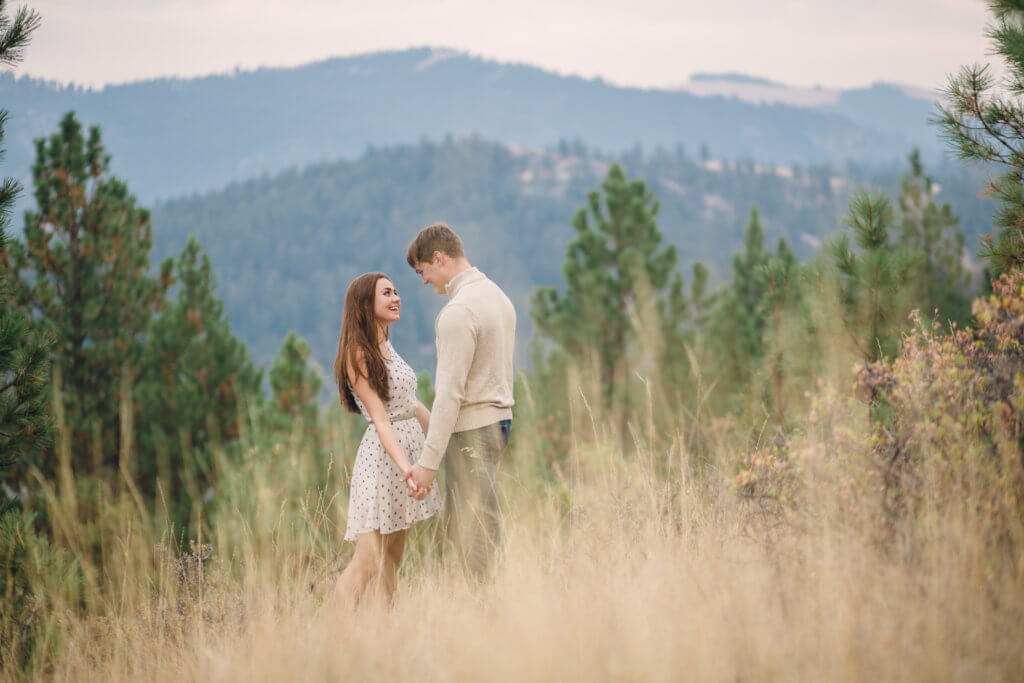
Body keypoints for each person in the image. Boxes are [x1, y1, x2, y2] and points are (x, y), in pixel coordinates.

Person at [403, 222, 516, 579]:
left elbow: (449, 394)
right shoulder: (498, 297)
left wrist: (427, 462)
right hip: (499, 423)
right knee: (472, 522)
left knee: (475, 533)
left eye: (423, 271)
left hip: (472, 431)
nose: (423, 281)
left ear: (438, 258)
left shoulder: (458, 312)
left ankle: (486, 611)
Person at [331, 272, 440, 608]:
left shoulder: (385, 344)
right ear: (366, 304)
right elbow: (381, 418)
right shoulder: (358, 353)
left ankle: (384, 636)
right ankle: (333, 638)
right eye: (386, 293)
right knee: (367, 562)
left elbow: (410, 405)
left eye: (396, 292)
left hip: (409, 453)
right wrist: (407, 467)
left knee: (393, 557)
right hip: (384, 461)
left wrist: (441, 439)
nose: (396, 298)